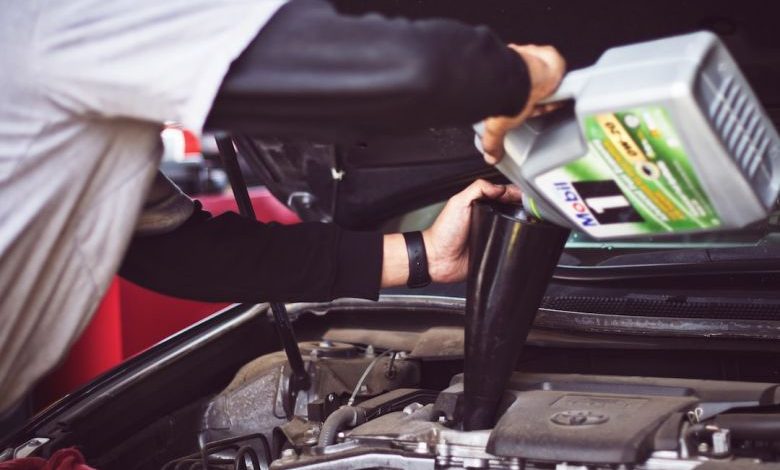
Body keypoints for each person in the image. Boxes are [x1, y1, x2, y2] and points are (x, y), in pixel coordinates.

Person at [0, 0, 565, 413]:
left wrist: (424, 258)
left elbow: (175, 251)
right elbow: (402, 69)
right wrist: (526, 73)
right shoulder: (58, 18)